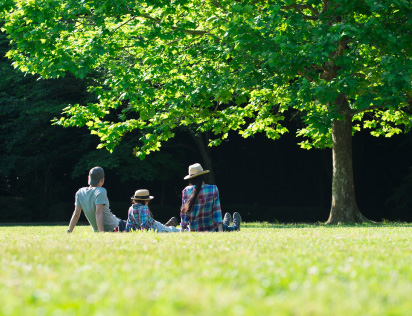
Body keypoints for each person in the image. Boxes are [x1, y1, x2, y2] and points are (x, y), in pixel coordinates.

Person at [180, 163, 241, 232]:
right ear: (203, 175)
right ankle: (235, 226)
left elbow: (184, 215)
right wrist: (221, 231)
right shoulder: (213, 189)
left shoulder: (186, 191)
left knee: (224, 226)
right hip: (212, 229)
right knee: (228, 228)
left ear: (191, 178)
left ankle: (225, 222)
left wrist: (182, 230)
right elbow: (216, 212)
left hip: (194, 230)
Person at [67, 167, 126, 233]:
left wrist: (69, 231)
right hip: (116, 227)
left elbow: (76, 214)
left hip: (116, 222)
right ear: (102, 179)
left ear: (88, 178)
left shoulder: (80, 192)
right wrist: (101, 232)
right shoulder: (101, 191)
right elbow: (98, 212)